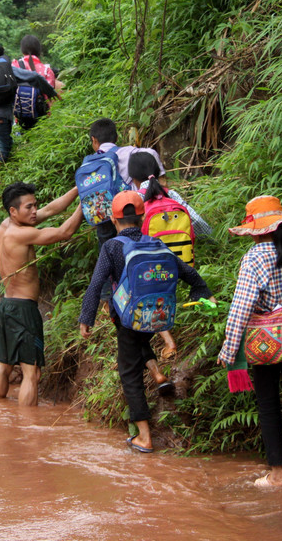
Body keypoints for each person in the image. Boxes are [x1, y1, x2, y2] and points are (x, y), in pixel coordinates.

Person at [79, 191, 213, 453]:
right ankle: (158, 373)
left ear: (114, 221)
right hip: (155, 316)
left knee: (129, 374)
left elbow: (96, 285)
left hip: (127, 317)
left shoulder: (112, 246)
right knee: (140, 344)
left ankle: (144, 436)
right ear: (141, 217)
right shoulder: (156, 243)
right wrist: (201, 291)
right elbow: (189, 273)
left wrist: (86, 318)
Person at [217, 195, 282, 488]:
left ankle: (277, 475)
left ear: (257, 230)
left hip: (263, 344)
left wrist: (229, 348)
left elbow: (241, 308)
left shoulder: (252, 259)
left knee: (267, 404)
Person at [0, 182, 82, 406]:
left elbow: (52, 209)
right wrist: (87, 203)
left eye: (35, 206)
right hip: (24, 310)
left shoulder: (5, 227)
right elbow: (65, 232)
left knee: (4, 366)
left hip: (6, 306)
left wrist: (79, 188)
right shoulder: (21, 234)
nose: (35, 211)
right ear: (14, 210)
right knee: (31, 373)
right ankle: (27, 429)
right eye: (29, 208)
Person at [128, 151, 214, 361]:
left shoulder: (133, 200)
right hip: (183, 261)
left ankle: (168, 340)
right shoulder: (172, 194)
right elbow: (201, 226)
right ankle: (205, 322)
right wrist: (212, 242)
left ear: (132, 178)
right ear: (157, 172)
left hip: (152, 269)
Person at [0, 42, 57, 205]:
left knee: (5, 144)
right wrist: (51, 93)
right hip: (1, 115)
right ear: (1, 55)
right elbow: (35, 77)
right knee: (2, 149)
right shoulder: (6, 68)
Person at [85, 118, 166, 247]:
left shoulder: (90, 165)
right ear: (116, 137)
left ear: (94, 140)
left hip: (106, 220)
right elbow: (161, 180)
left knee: (110, 253)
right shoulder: (137, 153)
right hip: (135, 215)